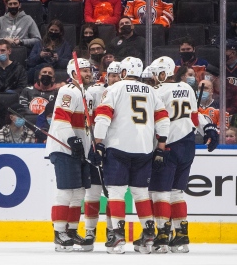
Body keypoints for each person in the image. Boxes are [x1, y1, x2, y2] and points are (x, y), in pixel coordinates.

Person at [91, 56, 170, 254]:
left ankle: (117, 235)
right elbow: (163, 120)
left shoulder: (114, 89)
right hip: (144, 148)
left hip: (118, 147)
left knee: (116, 191)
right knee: (141, 192)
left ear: (123, 72)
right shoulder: (152, 91)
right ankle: (149, 234)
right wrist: (160, 147)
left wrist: (98, 143)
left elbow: (102, 116)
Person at [145, 56, 218, 253]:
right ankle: (182, 235)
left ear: (163, 72)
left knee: (159, 192)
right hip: (188, 145)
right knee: (177, 192)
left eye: (155, 73)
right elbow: (195, 118)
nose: (153, 77)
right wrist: (210, 128)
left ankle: (162, 235)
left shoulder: (157, 92)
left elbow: (151, 121)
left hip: (167, 145)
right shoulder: (187, 88)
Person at [45, 57, 93, 252]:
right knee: (65, 192)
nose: (89, 73)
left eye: (90, 70)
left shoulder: (85, 94)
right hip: (65, 148)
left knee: (79, 192)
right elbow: (62, 119)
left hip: (80, 150)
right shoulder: (68, 91)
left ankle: (72, 230)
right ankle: (59, 232)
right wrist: (73, 140)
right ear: (74, 73)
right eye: (84, 71)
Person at [82, 60, 120, 247]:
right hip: (96, 147)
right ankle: (90, 232)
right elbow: (86, 118)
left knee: (112, 193)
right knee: (93, 192)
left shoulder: (124, 94)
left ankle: (112, 230)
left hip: (115, 149)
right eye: (111, 75)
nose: (113, 79)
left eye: (116, 75)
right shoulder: (95, 92)